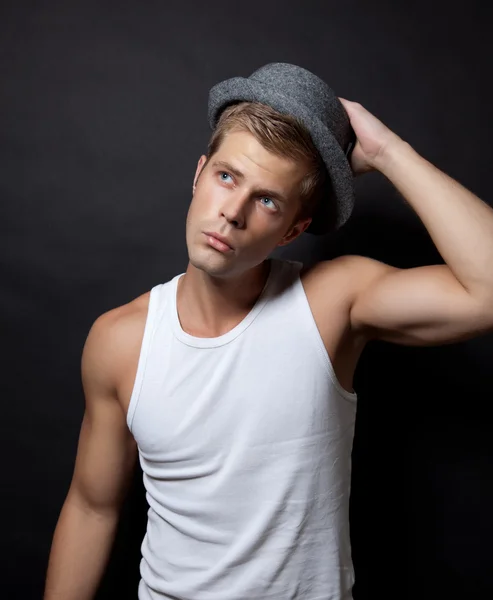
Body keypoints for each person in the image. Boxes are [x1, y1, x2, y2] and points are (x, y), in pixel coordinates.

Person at [44, 64, 493, 600]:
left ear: (294, 229)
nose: (231, 213)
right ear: (199, 173)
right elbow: (92, 508)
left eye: (267, 200)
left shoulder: (332, 303)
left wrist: (388, 153)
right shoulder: (119, 340)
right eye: (226, 177)